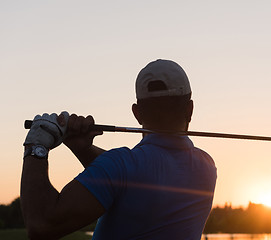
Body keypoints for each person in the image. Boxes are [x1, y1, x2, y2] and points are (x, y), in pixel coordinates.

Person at [21, 59, 217, 239]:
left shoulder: (120, 166)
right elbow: (131, 179)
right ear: (190, 109)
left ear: (137, 113)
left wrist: (36, 145)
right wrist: (83, 149)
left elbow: (42, 225)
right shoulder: (206, 167)